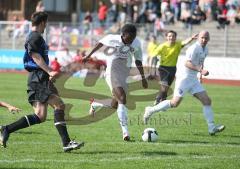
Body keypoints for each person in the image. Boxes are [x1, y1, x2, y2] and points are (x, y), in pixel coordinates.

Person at [0, 12, 84, 152]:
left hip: (39, 77)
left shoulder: (36, 37)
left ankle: (6, 129)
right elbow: (35, 56)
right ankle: (66, 143)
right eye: (46, 23)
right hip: (37, 77)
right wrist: (49, 71)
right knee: (59, 104)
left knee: (40, 116)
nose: (46, 26)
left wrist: (48, 74)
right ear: (43, 23)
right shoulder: (35, 36)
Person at [143, 31, 225, 135]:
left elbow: (201, 62)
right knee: (174, 103)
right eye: (202, 38)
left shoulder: (206, 49)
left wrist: (200, 76)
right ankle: (150, 110)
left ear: (209, 39)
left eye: (206, 38)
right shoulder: (193, 48)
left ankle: (211, 127)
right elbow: (187, 63)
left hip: (194, 80)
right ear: (198, 38)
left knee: (207, 100)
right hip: (184, 79)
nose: (204, 40)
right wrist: (200, 70)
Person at [84, 24, 148, 141]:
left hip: (124, 72)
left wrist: (143, 78)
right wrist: (88, 55)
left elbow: (138, 61)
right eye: (129, 38)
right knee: (122, 99)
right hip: (112, 71)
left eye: (133, 38)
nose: (131, 40)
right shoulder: (112, 38)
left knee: (115, 104)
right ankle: (125, 132)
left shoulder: (137, 43)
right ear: (123, 35)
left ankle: (95, 104)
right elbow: (100, 43)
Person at [153, 30, 198, 105]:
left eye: (173, 36)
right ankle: (158, 99)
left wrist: (192, 38)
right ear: (166, 37)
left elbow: (185, 42)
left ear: (175, 37)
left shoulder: (177, 45)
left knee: (166, 88)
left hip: (173, 69)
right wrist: (153, 64)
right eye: (169, 36)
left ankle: (162, 101)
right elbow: (154, 55)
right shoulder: (162, 46)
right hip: (163, 69)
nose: (171, 37)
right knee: (164, 87)